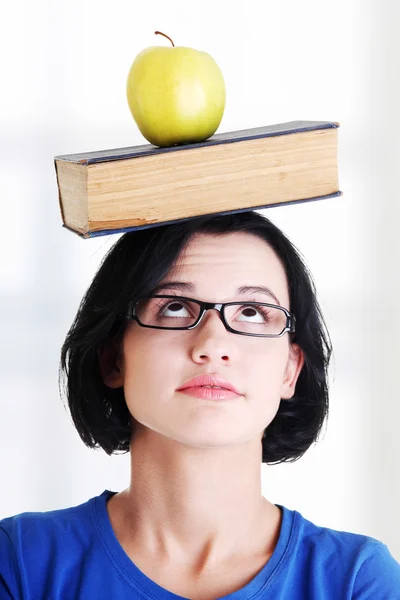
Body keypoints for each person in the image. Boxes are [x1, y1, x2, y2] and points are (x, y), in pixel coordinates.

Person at [1, 210, 399, 600]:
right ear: (113, 357)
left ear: (290, 370)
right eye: (174, 307)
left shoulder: (357, 581)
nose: (212, 346)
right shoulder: (19, 563)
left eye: (251, 312)